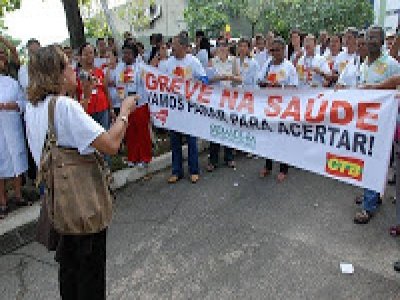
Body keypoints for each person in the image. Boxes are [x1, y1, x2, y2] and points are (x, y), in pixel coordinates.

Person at [24, 45, 137, 300]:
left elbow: (69, 136)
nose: (74, 70)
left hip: (59, 199)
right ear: (58, 73)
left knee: (70, 269)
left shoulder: (34, 107)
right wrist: (125, 112)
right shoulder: (64, 106)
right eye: (68, 65)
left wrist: (83, 97)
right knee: (91, 273)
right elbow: (109, 144)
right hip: (82, 201)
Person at [350, 26, 400, 224]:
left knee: (374, 160)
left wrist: (377, 88)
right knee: (366, 160)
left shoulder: (390, 63)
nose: (370, 40)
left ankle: (369, 206)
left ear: (381, 42)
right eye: (368, 36)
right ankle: (372, 193)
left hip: (382, 123)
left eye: (375, 37)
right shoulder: (364, 63)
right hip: (364, 121)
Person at [159, 33, 207, 184]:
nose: (172, 47)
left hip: (189, 108)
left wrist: (195, 85)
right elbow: (161, 82)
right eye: (172, 43)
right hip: (174, 109)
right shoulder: (168, 64)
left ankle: (194, 170)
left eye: (175, 44)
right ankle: (176, 171)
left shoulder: (193, 62)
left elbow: (204, 80)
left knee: (191, 140)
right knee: (175, 141)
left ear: (184, 47)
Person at [258, 37, 298, 182]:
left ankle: (283, 169)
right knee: (269, 138)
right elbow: (259, 79)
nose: (274, 53)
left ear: (284, 50)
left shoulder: (289, 67)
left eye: (277, 50)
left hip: (283, 108)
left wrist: (279, 87)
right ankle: (268, 166)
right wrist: (264, 83)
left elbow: (294, 87)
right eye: (272, 50)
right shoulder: (268, 64)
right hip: (269, 107)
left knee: (282, 139)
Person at [0, 52, 29, 219]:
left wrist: (13, 105)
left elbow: (23, 102)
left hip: (12, 125)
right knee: (1, 163)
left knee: (17, 159)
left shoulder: (12, 82)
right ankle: (2, 201)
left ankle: (18, 195)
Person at [117, 43, 152, 168]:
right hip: (126, 105)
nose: (125, 56)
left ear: (134, 55)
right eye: (124, 53)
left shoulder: (141, 68)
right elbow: (119, 84)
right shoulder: (120, 68)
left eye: (128, 53)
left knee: (142, 132)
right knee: (130, 132)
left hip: (140, 104)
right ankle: (132, 157)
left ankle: (145, 157)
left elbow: (146, 83)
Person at [207, 38, 236, 172]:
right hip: (215, 100)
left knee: (229, 128)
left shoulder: (233, 61)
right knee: (215, 130)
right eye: (220, 46)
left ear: (228, 47)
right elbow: (207, 79)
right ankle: (213, 160)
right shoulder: (212, 62)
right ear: (217, 48)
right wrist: (221, 78)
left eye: (225, 45)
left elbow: (240, 78)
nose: (223, 48)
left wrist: (231, 78)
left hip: (230, 99)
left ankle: (229, 158)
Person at [77, 43, 114, 131]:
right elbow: (74, 94)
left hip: (103, 109)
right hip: (86, 112)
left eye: (91, 53)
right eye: (85, 54)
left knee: (105, 135)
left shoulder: (100, 71)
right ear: (80, 56)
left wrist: (111, 109)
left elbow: (105, 90)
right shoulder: (76, 75)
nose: (89, 56)